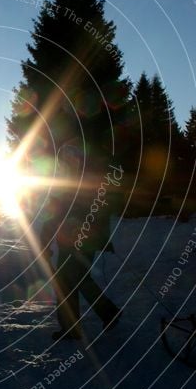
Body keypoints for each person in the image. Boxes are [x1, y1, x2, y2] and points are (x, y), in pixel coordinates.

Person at [41, 144, 123, 341]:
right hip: (81, 243)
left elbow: (52, 217)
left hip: (75, 243)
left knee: (67, 283)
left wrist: (44, 244)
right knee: (77, 279)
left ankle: (80, 324)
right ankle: (103, 315)